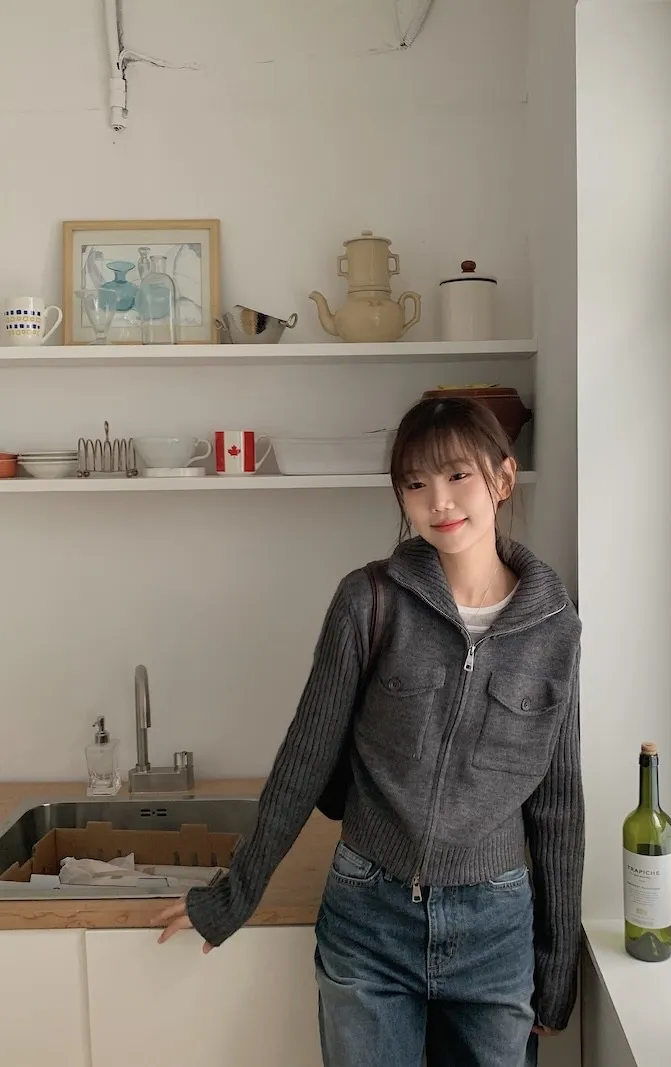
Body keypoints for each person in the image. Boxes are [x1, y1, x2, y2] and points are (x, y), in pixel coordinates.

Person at [153, 397, 584, 1067]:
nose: (438, 500)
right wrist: (233, 895)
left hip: (496, 931)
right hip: (369, 915)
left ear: (502, 478)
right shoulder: (370, 600)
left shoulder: (555, 627)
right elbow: (304, 759)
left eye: (457, 475)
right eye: (415, 483)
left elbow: (558, 806)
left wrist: (556, 970)